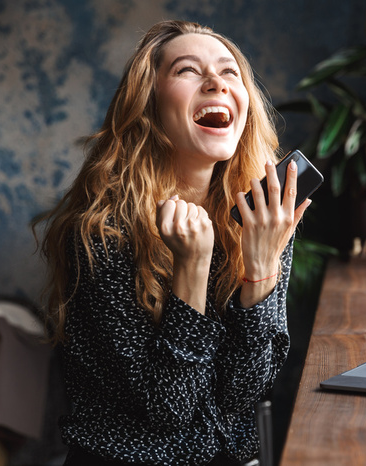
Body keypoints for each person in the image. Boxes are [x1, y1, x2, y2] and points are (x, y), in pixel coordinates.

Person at [34, 20, 310, 465]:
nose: (216, 81)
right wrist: (191, 269)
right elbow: (171, 412)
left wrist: (260, 268)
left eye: (230, 72)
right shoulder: (98, 233)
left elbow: (244, 392)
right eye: (187, 70)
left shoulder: (260, 222)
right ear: (149, 106)